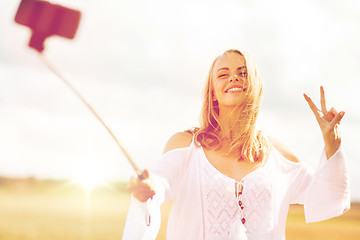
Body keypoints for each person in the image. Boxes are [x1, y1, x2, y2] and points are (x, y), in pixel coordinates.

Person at [122, 49, 350, 240]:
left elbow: (327, 198)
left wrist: (332, 141)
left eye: (243, 73)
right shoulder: (186, 146)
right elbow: (160, 183)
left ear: (255, 87)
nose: (234, 78)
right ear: (212, 93)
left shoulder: (279, 155)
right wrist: (147, 191)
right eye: (223, 74)